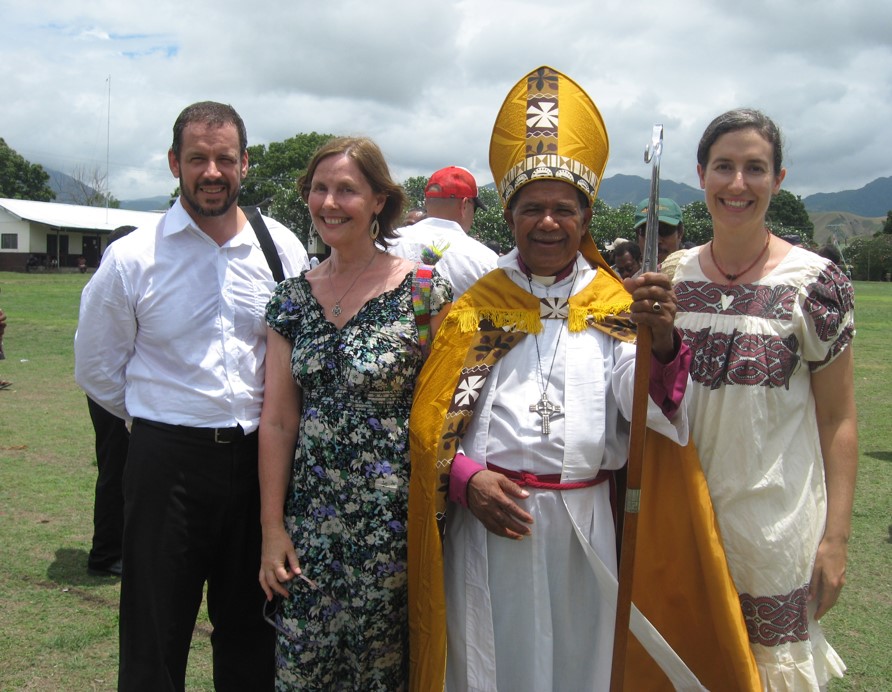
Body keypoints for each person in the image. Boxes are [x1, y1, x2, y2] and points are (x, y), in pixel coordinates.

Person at [407, 66, 706, 691]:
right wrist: (466, 481)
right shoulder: (474, 308)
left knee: (580, 668)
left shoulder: (617, 304)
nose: (548, 223)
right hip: (492, 524)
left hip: (585, 525)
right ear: (509, 217)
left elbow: (649, 408)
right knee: (494, 665)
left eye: (563, 210)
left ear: (585, 217)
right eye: (532, 209)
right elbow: (432, 422)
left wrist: (661, 339)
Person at [74, 101, 309, 691]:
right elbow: (97, 368)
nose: (212, 171)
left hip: (260, 461)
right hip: (165, 465)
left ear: (245, 164)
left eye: (224, 158)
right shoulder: (133, 257)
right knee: (155, 632)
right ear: (175, 163)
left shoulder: (279, 249)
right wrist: (161, 424)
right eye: (198, 158)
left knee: (254, 630)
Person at [670, 108, 857, 688]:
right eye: (724, 166)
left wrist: (836, 540)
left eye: (755, 168)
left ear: (778, 179)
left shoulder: (814, 283)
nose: (737, 184)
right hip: (684, 522)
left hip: (774, 531)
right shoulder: (672, 277)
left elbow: (839, 418)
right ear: (701, 174)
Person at [257, 136, 452, 689]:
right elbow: (278, 421)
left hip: (393, 526)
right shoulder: (290, 299)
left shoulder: (423, 291)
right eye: (320, 189)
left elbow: (447, 412)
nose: (330, 202)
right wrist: (273, 529)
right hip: (311, 526)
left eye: (347, 189)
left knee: (384, 672)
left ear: (379, 202)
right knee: (303, 670)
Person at [85, 225, 137, 578]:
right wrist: (126, 409)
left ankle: (117, 547)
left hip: (113, 393)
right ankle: (105, 554)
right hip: (111, 396)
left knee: (120, 471)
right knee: (115, 470)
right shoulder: (106, 284)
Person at [389, 166, 498, 298]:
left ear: (426, 202)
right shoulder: (486, 261)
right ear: (464, 205)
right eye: (474, 209)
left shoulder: (388, 243)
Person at [634, 196, 685, 266]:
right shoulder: (625, 277)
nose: (656, 241)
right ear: (637, 236)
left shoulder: (697, 274)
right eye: (648, 232)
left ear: (680, 233)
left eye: (665, 230)